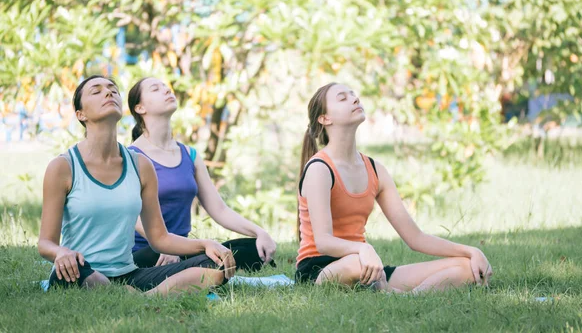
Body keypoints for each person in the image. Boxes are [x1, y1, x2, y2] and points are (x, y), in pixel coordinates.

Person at [38, 75, 236, 295]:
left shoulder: (141, 166)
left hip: (128, 274)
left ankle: (136, 296)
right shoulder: (63, 167)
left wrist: (205, 244)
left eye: (113, 90)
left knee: (215, 265)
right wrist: (61, 253)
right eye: (96, 91)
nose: (108, 92)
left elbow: (160, 238)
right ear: (80, 114)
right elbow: (45, 243)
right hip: (82, 272)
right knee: (70, 273)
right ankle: (147, 296)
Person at [295, 83, 492, 293]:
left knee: (466, 268)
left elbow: (415, 238)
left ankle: (406, 298)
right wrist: (363, 249)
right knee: (356, 264)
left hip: (368, 267)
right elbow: (323, 242)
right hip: (319, 271)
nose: (354, 99)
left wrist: (470, 251)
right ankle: (389, 292)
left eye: (353, 95)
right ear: (325, 118)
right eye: (342, 98)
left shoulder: (375, 170)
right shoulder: (319, 169)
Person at [127, 77, 277, 270]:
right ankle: (197, 267)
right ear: (140, 108)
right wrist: (164, 244)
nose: (166, 91)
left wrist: (259, 232)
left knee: (250, 249)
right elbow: (131, 214)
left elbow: (219, 210)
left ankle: (196, 265)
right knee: (207, 258)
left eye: (166, 87)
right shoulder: (131, 156)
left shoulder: (190, 155)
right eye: (155, 89)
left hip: (183, 249)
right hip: (148, 252)